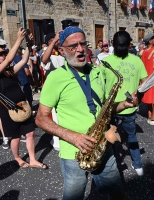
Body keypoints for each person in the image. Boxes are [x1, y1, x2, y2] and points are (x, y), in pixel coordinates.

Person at [36, 26, 136, 200]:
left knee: (117, 194)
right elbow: (40, 119)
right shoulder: (55, 77)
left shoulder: (97, 71)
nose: (80, 49)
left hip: (103, 145)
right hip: (74, 152)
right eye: (73, 46)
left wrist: (124, 105)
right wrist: (73, 137)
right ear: (61, 50)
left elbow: (106, 108)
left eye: (83, 44)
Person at [0, 28, 47, 169]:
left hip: (22, 106)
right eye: (1, 55)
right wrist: (18, 39)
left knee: (30, 133)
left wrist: (28, 44)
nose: (4, 56)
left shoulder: (10, 71)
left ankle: (32, 159)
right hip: (9, 109)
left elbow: (24, 60)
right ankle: (17, 158)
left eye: (4, 54)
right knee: (15, 136)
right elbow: (10, 58)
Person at [102, 31, 148, 176]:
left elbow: (100, 85)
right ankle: (137, 164)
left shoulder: (105, 61)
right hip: (121, 107)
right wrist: (139, 96)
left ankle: (117, 163)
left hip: (116, 108)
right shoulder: (136, 60)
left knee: (112, 137)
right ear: (130, 44)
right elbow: (145, 82)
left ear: (112, 43)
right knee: (130, 137)